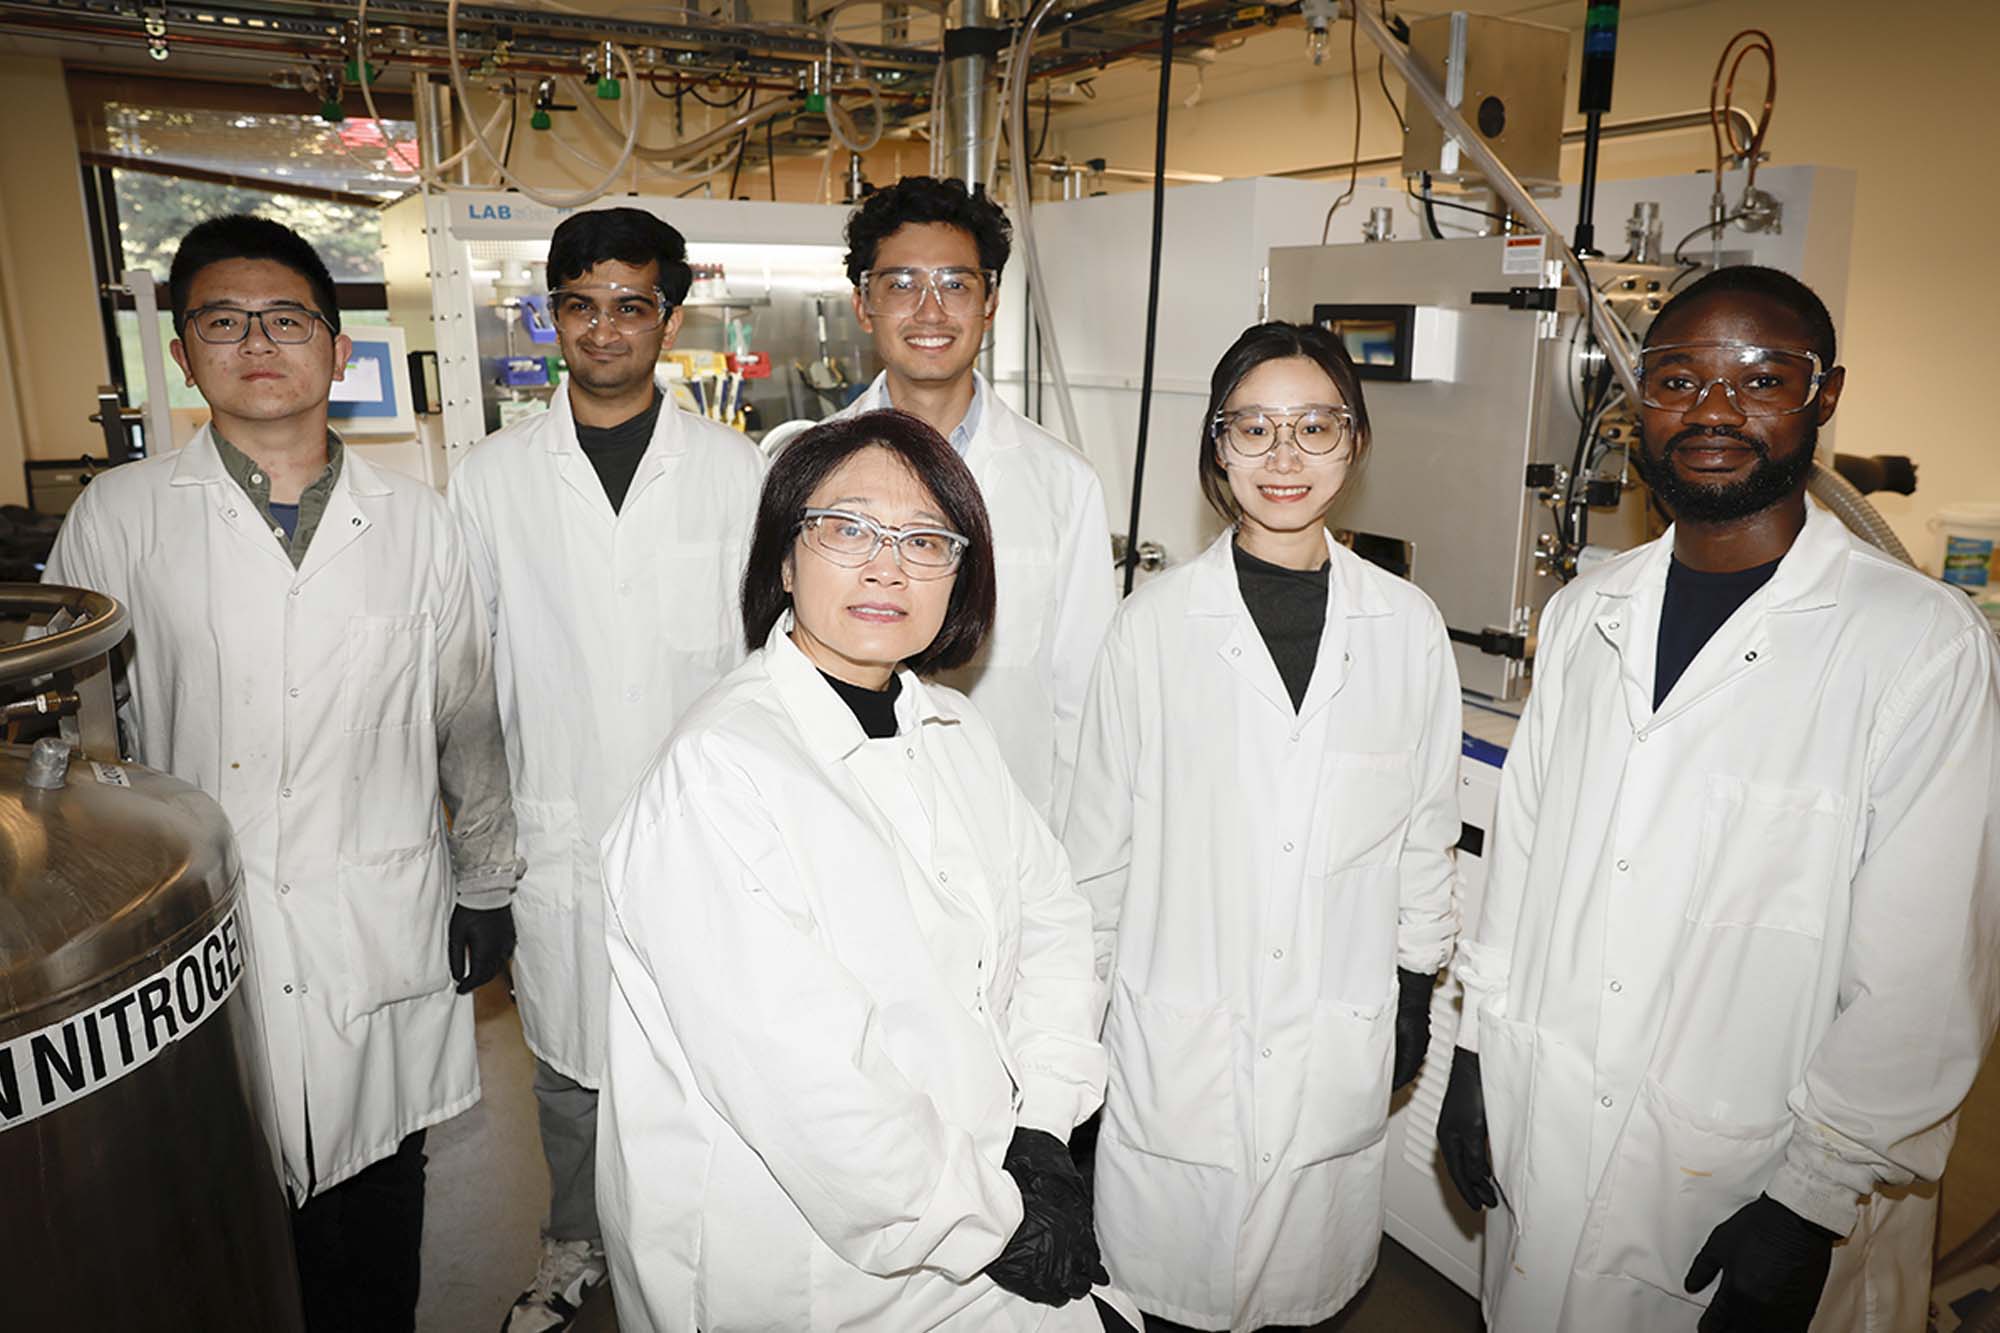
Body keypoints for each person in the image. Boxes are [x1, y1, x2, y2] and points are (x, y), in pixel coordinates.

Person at [1435, 266, 2000, 1333]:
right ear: (1637, 402)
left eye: (1758, 379)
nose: (1711, 410)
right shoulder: (1588, 609)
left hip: (1747, 1172)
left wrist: (1810, 1202)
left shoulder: (1917, 647)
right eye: (1677, 379)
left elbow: (1926, 981)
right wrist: (1473, 1053)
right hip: (1544, 1112)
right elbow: (1522, 859)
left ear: (1823, 398)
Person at [44, 214, 520, 1333]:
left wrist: (489, 881)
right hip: (198, 925)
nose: (257, 340)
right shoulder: (120, 516)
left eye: (287, 318)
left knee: (376, 1203)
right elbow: (72, 737)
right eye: (222, 318)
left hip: (375, 906)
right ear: (183, 353)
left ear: (337, 349)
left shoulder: (419, 523)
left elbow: (467, 716)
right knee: (220, 1207)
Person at [597, 410, 1123, 1331]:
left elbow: (1052, 926)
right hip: (814, 1264)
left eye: (926, 539)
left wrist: (1042, 1127)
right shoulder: (719, 774)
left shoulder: (959, 733)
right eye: (847, 529)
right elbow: (812, 1089)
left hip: (983, 1197)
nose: (888, 566)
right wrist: (998, 1219)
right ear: (784, 558)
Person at [1062, 323, 1462, 1331]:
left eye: (1313, 426)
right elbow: (1094, 855)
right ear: (1216, 446)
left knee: (1306, 1298)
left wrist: (1415, 980)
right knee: (1165, 1301)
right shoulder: (1150, 627)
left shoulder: (1405, 625)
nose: (1283, 457)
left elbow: (1424, 830)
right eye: (1254, 429)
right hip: (1175, 1035)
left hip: (1335, 1025)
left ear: (1353, 441)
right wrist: (1070, 1038)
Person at [447, 206, 765, 1332]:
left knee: (711, 1060)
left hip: (710, 834)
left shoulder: (737, 474)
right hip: (560, 828)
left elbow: (768, 669)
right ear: (552, 317)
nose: (604, 328)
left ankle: (711, 1254)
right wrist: (482, 867)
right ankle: (571, 1244)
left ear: (667, 320)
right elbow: (468, 685)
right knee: (571, 1072)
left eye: (631, 304)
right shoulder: (489, 480)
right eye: (580, 304)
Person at [830, 175, 1116, 824]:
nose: (930, 312)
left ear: (990, 303)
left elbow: (1085, 705)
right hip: (846, 825)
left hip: (1007, 835)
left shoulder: (1063, 483)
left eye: (956, 285)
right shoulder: (807, 469)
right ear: (863, 304)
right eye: (902, 284)